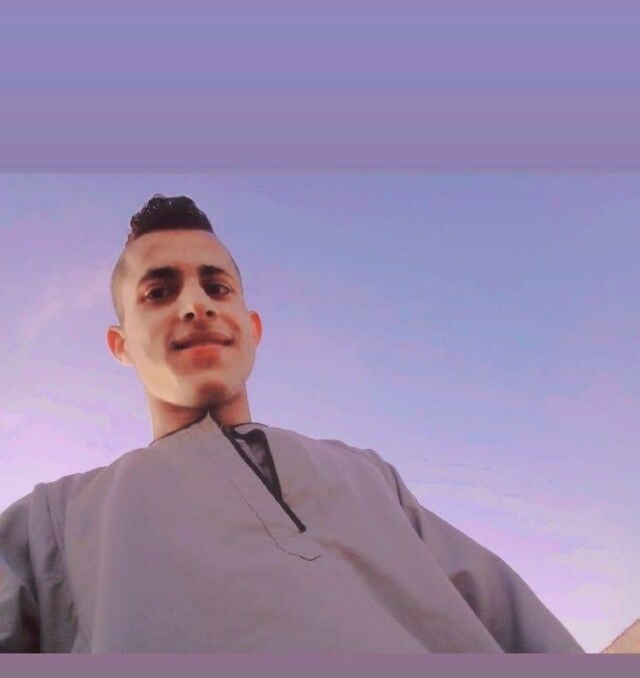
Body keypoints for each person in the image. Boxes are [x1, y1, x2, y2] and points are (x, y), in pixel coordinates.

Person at [0, 195, 584, 653]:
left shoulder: (368, 477)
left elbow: (517, 627)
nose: (195, 305)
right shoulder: (53, 525)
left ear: (251, 327)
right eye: (158, 291)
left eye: (216, 286)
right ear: (120, 344)